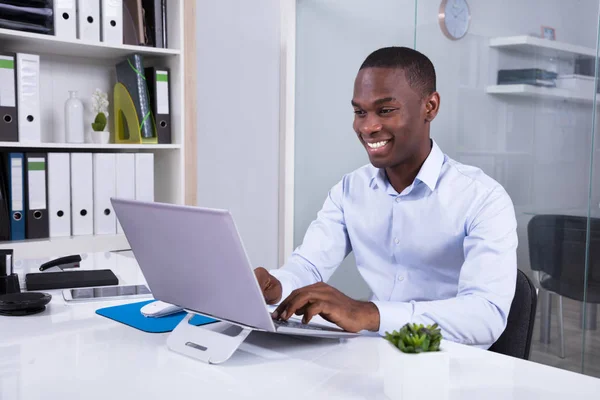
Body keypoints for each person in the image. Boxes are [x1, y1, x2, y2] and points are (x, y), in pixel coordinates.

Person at [254, 46, 517, 348]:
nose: (368, 127)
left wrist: (369, 313)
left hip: (448, 365)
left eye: (386, 110)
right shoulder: (350, 190)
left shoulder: (483, 199)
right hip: (372, 355)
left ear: (430, 107)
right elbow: (309, 266)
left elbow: (486, 316)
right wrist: (277, 287)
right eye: (359, 112)